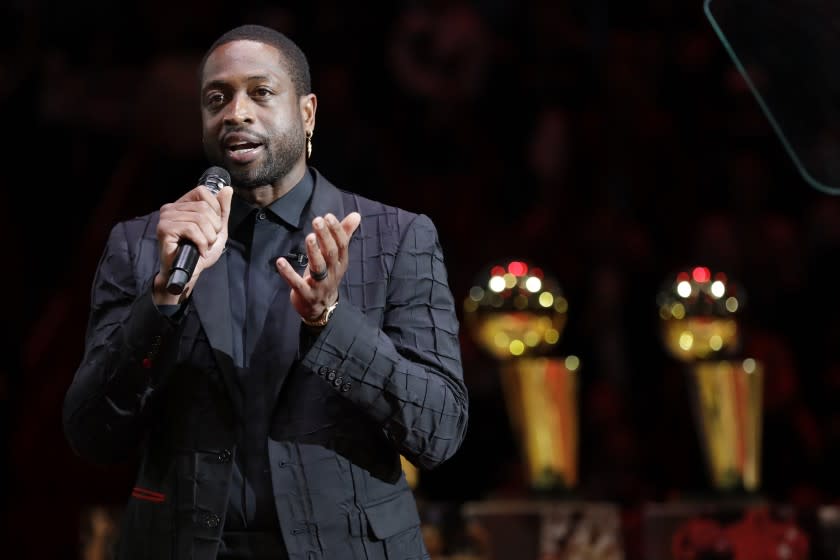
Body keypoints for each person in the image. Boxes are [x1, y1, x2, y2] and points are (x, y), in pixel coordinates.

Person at [62, 23, 468, 560]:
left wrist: (331, 323)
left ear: (307, 114)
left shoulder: (395, 238)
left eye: (261, 92)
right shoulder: (144, 246)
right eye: (217, 97)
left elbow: (438, 430)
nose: (235, 112)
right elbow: (91, 433)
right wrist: (160, 303)